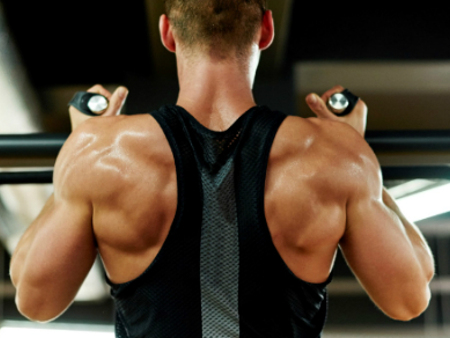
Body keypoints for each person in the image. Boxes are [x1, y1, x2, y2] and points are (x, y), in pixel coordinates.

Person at [10, 0, 434, 337]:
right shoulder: (336, 155)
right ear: (266, 29)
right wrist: (356, 154)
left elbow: (35, 299)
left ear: (168, 34)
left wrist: (79, 145)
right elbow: (409, 297)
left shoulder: (98, 153)